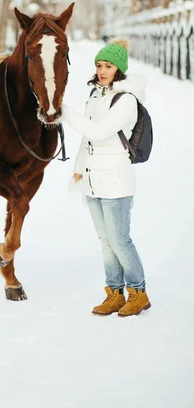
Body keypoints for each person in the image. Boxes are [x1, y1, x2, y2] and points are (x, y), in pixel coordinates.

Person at [61, 38, 151, 317]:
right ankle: (114, 292)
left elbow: (100, 131)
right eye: (99, 65)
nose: (102, 70)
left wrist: (62, 109)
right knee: (105, 240)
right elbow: (88, 138)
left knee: (119, 240)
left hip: (115, 180)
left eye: (108, 66)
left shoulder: (126, 101)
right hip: (92, 179)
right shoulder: (96, 95)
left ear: (119, 69)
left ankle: (138, 293)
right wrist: (78, 167)